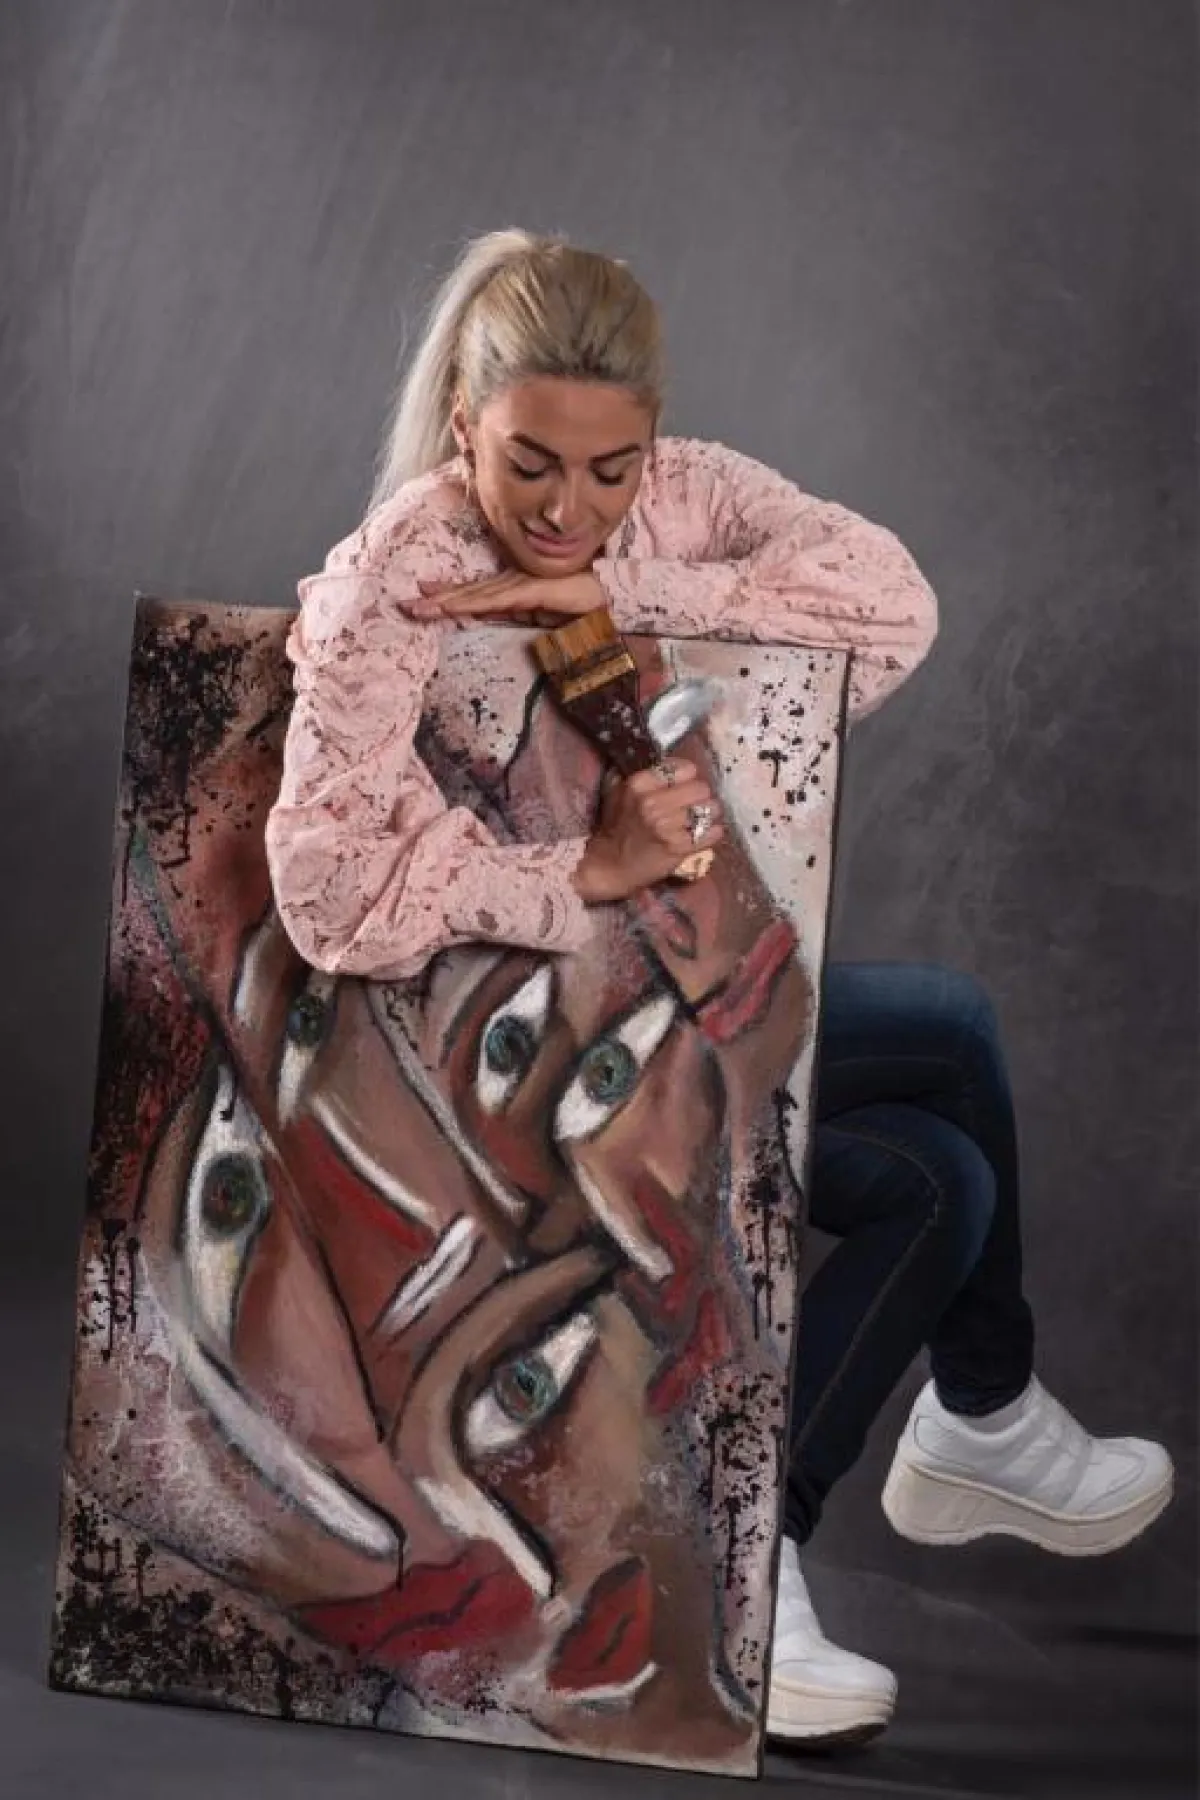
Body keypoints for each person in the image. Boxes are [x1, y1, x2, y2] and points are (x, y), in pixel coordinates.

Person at [264, 228, 1174, 1749]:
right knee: (940, 1114)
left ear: (654, 440)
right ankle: (869, 1486)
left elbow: (892, 609)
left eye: (608, 469)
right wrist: (584, 872)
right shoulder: (391, 584)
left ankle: (899, 1461)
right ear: (465, 425)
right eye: (529, 465)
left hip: (676, 999)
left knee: (942, 1144)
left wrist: (610, 602)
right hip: (516, 1054)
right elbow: (328, 890)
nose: (568, 506)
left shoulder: (680, 500)